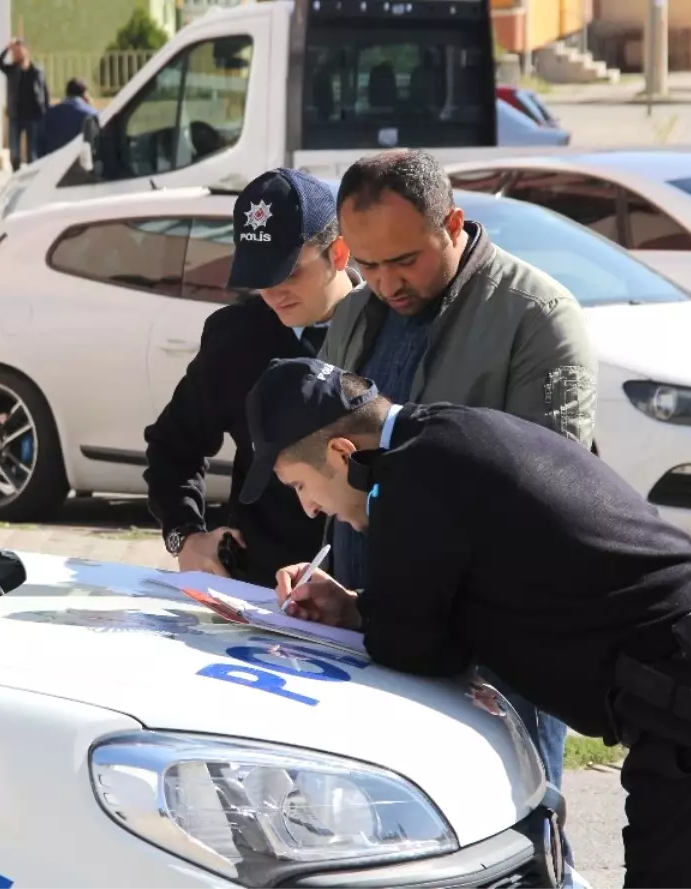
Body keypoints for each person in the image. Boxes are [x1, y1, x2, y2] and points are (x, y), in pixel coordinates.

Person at [243, 356, 691, 889]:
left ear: (341, 452)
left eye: (299, 485)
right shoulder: (448, 437)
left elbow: (411, 647)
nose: (308, 509)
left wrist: (369, 616)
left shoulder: (413, 478)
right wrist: (353, 607)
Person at [314, 147, 597, 824]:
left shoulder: (536, 317)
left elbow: (543, 500)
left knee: (512, 828)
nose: (386, 283)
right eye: (368, 265)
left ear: (454, 223)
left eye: (405, 260)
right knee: (390, 831)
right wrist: (327, 571)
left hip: (500, 648)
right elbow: (324, 452)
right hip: (376, 629)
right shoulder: (355, 316)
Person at [143, 168, 362, 586]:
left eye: (288, 272)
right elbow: (173, 445)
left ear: (338, 254)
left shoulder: (392, 326)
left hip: (369, 592)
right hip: (260, 588)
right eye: (258, 277)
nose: (274, 292)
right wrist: (186, 536)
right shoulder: (237, 336)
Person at [0, 38, 49, 172]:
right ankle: (16, 173)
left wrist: (46, 110)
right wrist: (8, 48)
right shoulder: (12, 70)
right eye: (15, 52)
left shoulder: (36, 71)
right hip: (15, 115)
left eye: (20, 51)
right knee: (15, 153)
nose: (18, 54)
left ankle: (31, 177)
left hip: (33, 115)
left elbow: (45, 91)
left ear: (26, 51)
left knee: (32, 153)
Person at [40, 77, 98, 157]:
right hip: (78, 161)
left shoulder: (50, 112)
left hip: (53, 160)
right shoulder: (90, 113)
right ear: (84, 94)